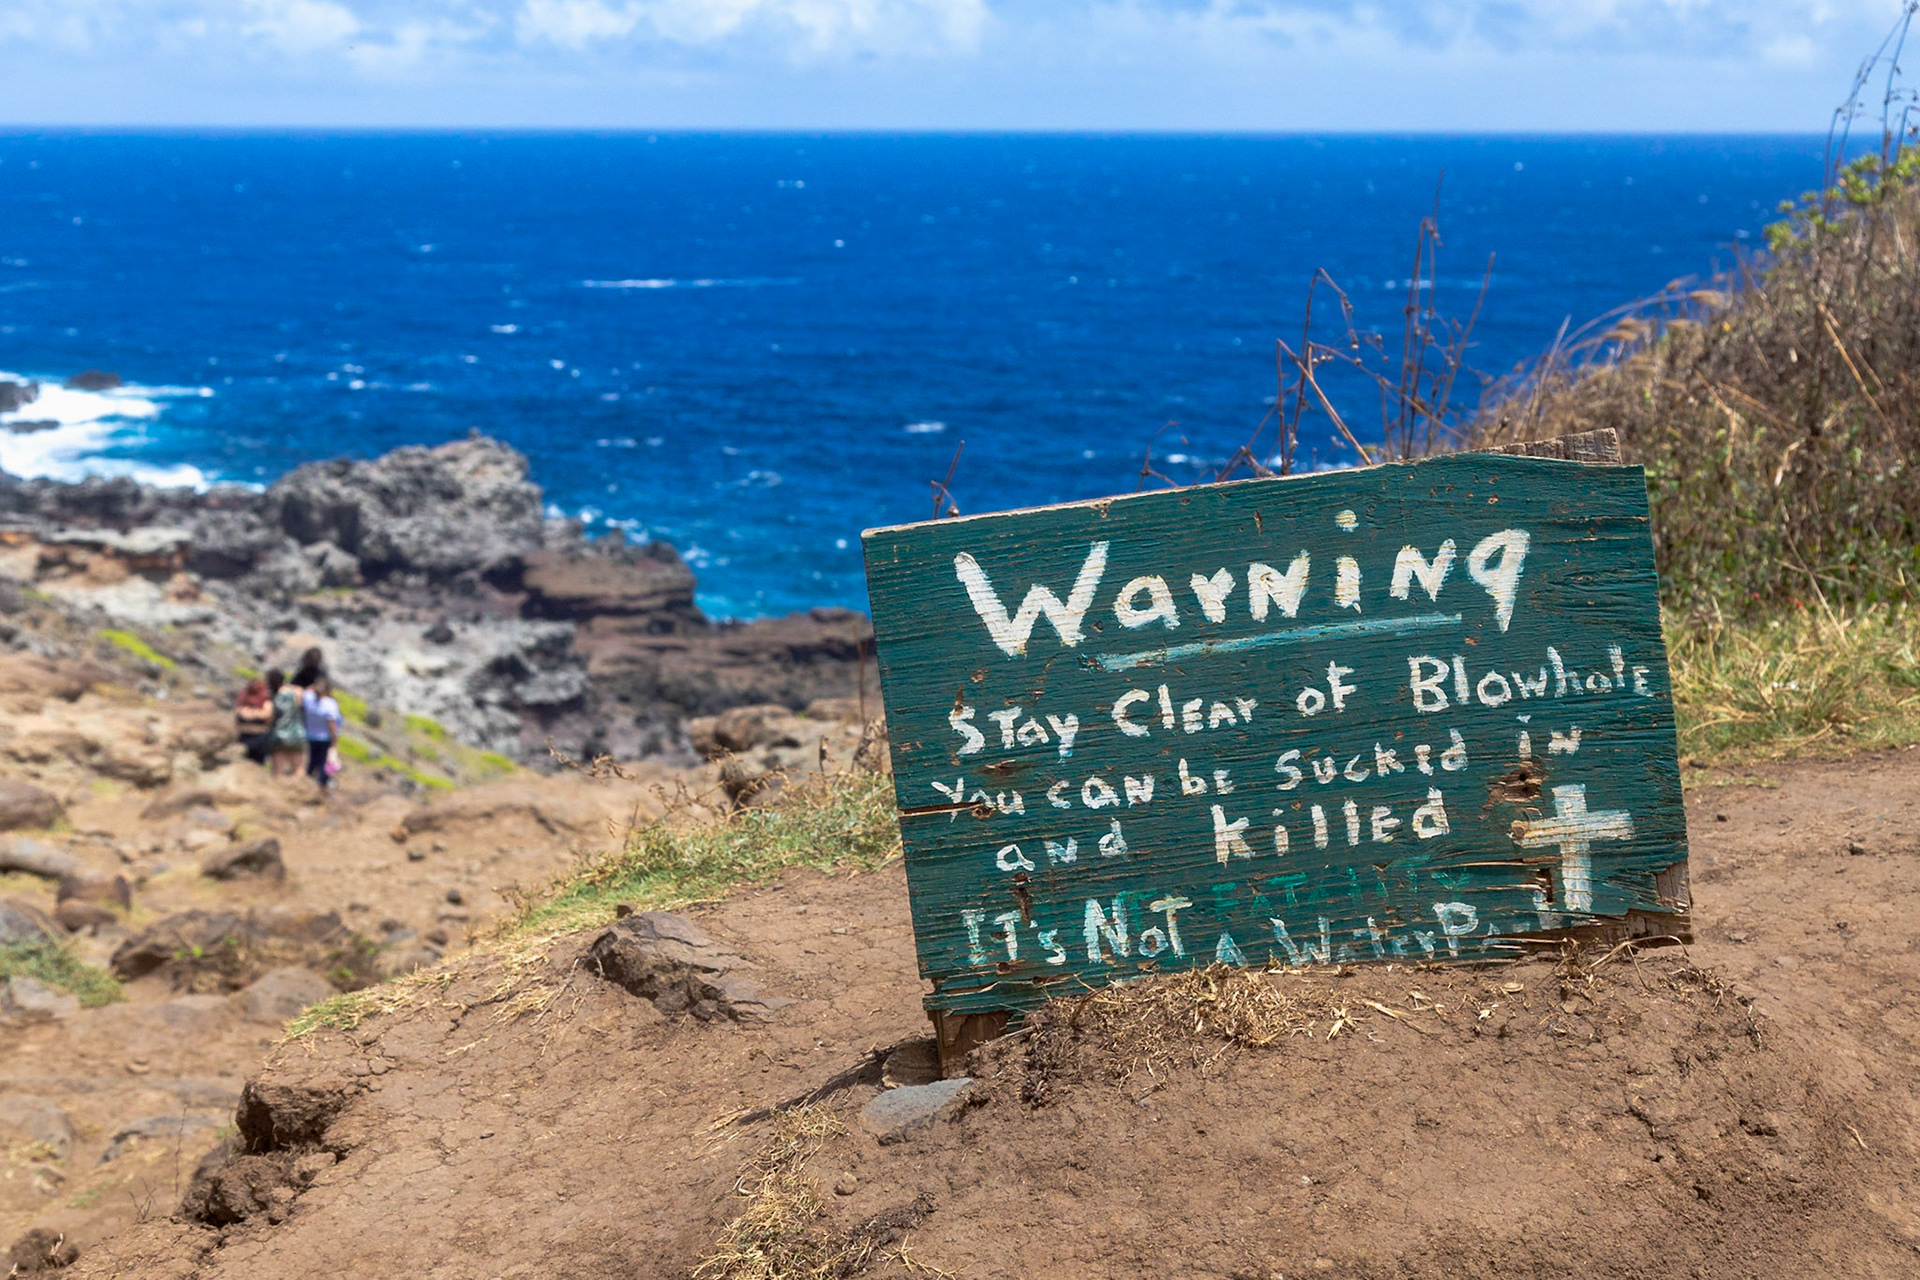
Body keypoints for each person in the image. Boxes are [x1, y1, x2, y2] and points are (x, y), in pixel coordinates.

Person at [302, 675, 343, 789]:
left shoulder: (308, 698)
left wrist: (315, 687)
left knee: (312, 762)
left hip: (310, 736)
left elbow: (306, 690)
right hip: (325, 738)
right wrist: (334, 741)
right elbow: (332, 724)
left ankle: (306, 783)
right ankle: (321, 786)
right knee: (324, 764)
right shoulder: (330, 703)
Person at [267, 668, 307, 778]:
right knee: (299, 768)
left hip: (279, 735)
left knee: (278, 770)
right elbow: (301, 693)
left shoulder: (273, 695)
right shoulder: (295, 693)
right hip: (296, 734)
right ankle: (301, 792)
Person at [234, 678, 274, 765]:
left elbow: (267, 716)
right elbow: (239, 713)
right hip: (245, 739)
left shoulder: (265, 702)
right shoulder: (243, 701)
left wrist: (252, 713)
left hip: (260, 739)